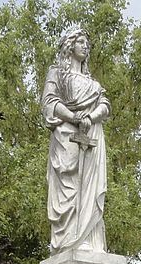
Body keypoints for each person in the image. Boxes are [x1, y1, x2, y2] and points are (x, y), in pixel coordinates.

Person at [41, 28, 111, 252]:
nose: (85, 46)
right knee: (70, 188)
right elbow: (49, 103)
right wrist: (74, 117)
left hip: (91, 136)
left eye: (86, 42)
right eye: (80, 41)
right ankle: (69, 240)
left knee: (89, 185)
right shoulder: (57, 74)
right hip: (66, 138)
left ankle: (88, 239)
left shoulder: (93, 83)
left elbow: (105, 105)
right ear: (69, 46)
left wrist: (90, 117)